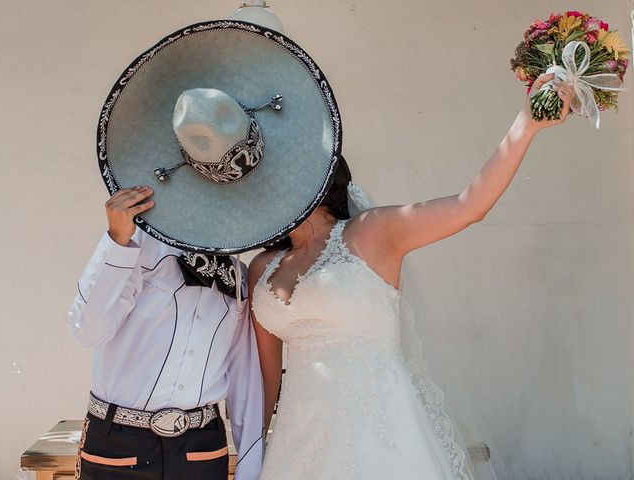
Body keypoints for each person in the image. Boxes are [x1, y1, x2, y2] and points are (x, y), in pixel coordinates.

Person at [249, 73, 574, 479]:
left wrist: (526, 124)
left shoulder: (372, 232)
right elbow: (265, 379)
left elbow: (468, 206)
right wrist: (253, 450)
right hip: (297, 442)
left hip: (381, 434)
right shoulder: (261, 269)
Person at [68, 186, 264, 480]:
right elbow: (87, 331)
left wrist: (250, 470)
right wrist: (117, 242)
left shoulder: (238, 279)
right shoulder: (138, 245)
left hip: (201, 449)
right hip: (118, 447)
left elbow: (244, 380)